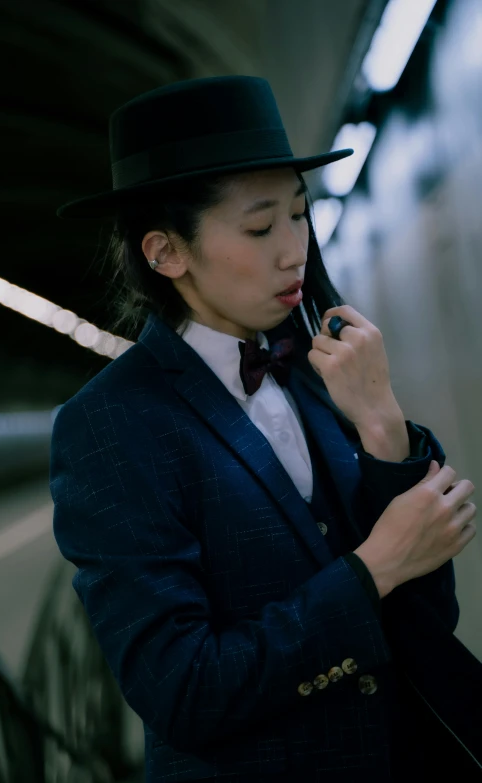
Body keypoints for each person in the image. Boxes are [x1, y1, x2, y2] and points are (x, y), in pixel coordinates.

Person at [50, 76, 482, 782]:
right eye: (259, 227)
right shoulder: (108, 427)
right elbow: (183, 691)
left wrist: (380, 422)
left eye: (299, 214)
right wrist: (371, 569)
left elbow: (431, 615)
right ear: (165, 253)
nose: (295, 251)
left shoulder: (321, 363)